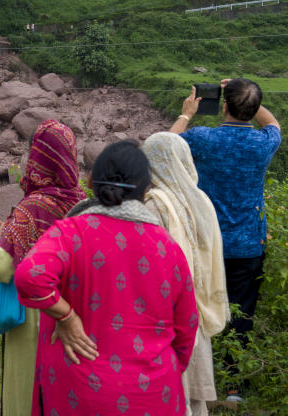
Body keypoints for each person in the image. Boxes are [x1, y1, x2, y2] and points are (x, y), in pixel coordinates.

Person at [15, 140, 198, 415]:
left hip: (80, 392)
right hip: (154, 392)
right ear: (146, 189)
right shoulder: (168, 247)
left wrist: (67, 317)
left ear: (92, 182)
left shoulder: (70, 233)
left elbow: (31, 276)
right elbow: (187, 328)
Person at [170, 77, 281, 386]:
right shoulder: (264, 142)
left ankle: (197, 377)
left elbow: (164, 145)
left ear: (224, 106)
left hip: (206, 241)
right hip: (248, 244)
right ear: (255, 108)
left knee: (201, 307)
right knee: (241, 312)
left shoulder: (204, 138)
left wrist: (186, 114)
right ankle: (233, 385)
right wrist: (248, 97)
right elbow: (272, 122)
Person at [0, 119, 85, 416]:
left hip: (34, 316)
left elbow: (1, 269)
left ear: (37, 159)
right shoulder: (81, 204)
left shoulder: (31, 207)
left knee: (26, 392)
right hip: (74, 310)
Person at [143, 132, 230, 416]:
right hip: (199, 309)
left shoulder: (153, 205)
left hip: (169, 315)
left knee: (173, 392)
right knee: (194, 400)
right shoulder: (201, 199)